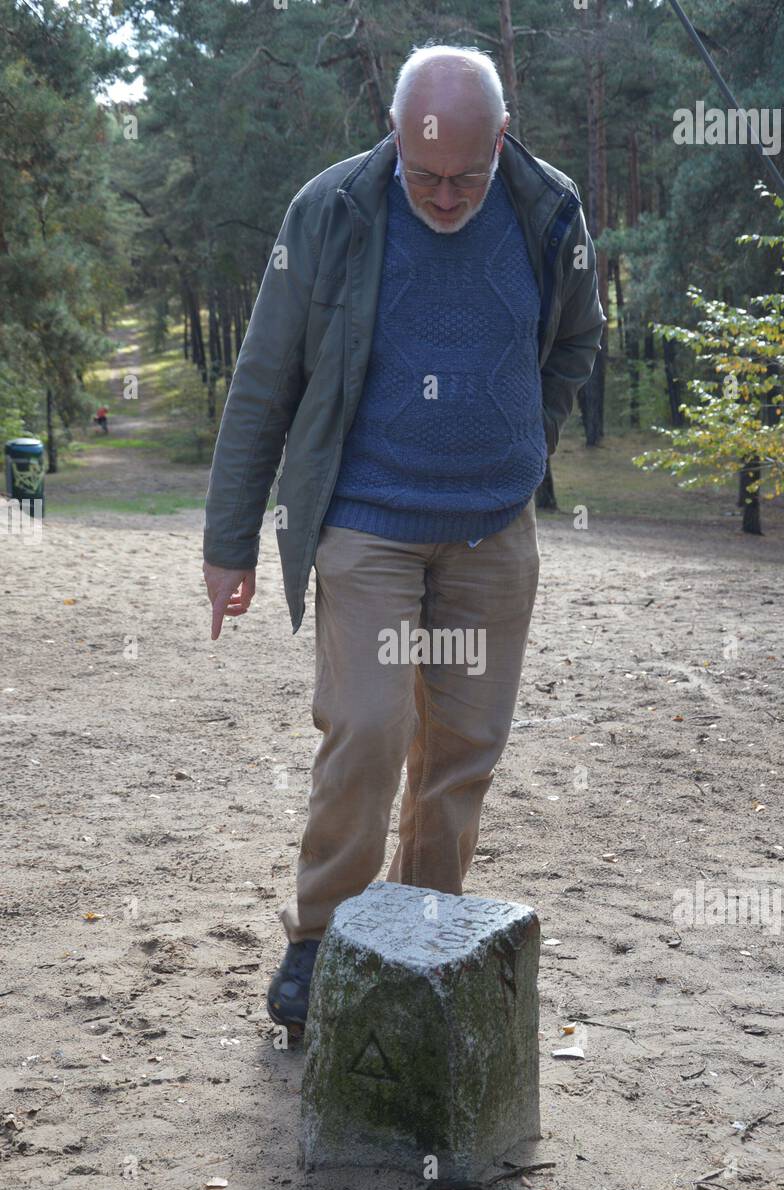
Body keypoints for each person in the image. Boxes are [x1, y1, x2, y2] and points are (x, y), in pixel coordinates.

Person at [203, 43, 605, 1029]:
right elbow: (266, 381)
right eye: (424, 173)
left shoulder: (548, 211)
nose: (445, 193)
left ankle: (419, 935)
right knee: (371, 729)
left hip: (491, 535)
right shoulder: (331, 212)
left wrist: (524, 440)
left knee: (464, 748)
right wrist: (230, 541)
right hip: (367, 521)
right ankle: (320, 941)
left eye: (466, 174)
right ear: (395, 134)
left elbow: (578, 341)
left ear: (501, 140)